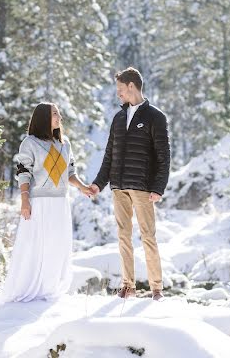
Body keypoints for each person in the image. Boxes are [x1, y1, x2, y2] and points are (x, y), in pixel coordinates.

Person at [0, 102, 93, 303]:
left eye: (59, 113)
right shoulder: (30, 143)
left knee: (57, 246)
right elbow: (24, 173)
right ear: (43, 119)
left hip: (60, 203)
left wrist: (83, 187)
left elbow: (70, 173)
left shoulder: (64, 143)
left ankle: (49, 288)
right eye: (54, 114)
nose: (59, 118)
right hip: (39, 202)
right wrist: (25, 201)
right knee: (35, 245)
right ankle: (29, 286)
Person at [90, 67, 170, 301]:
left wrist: (158, 187)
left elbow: (164, 156)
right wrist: (99, 184)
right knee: (123, 235)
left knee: (148, 236)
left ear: (132, 86)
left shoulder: (155, 117)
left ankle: (156, 288)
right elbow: (109, 155)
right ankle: (128, 286)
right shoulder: (118, 118)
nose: (118, 95)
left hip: (143, 187)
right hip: (118, 186)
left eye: (120, 90)